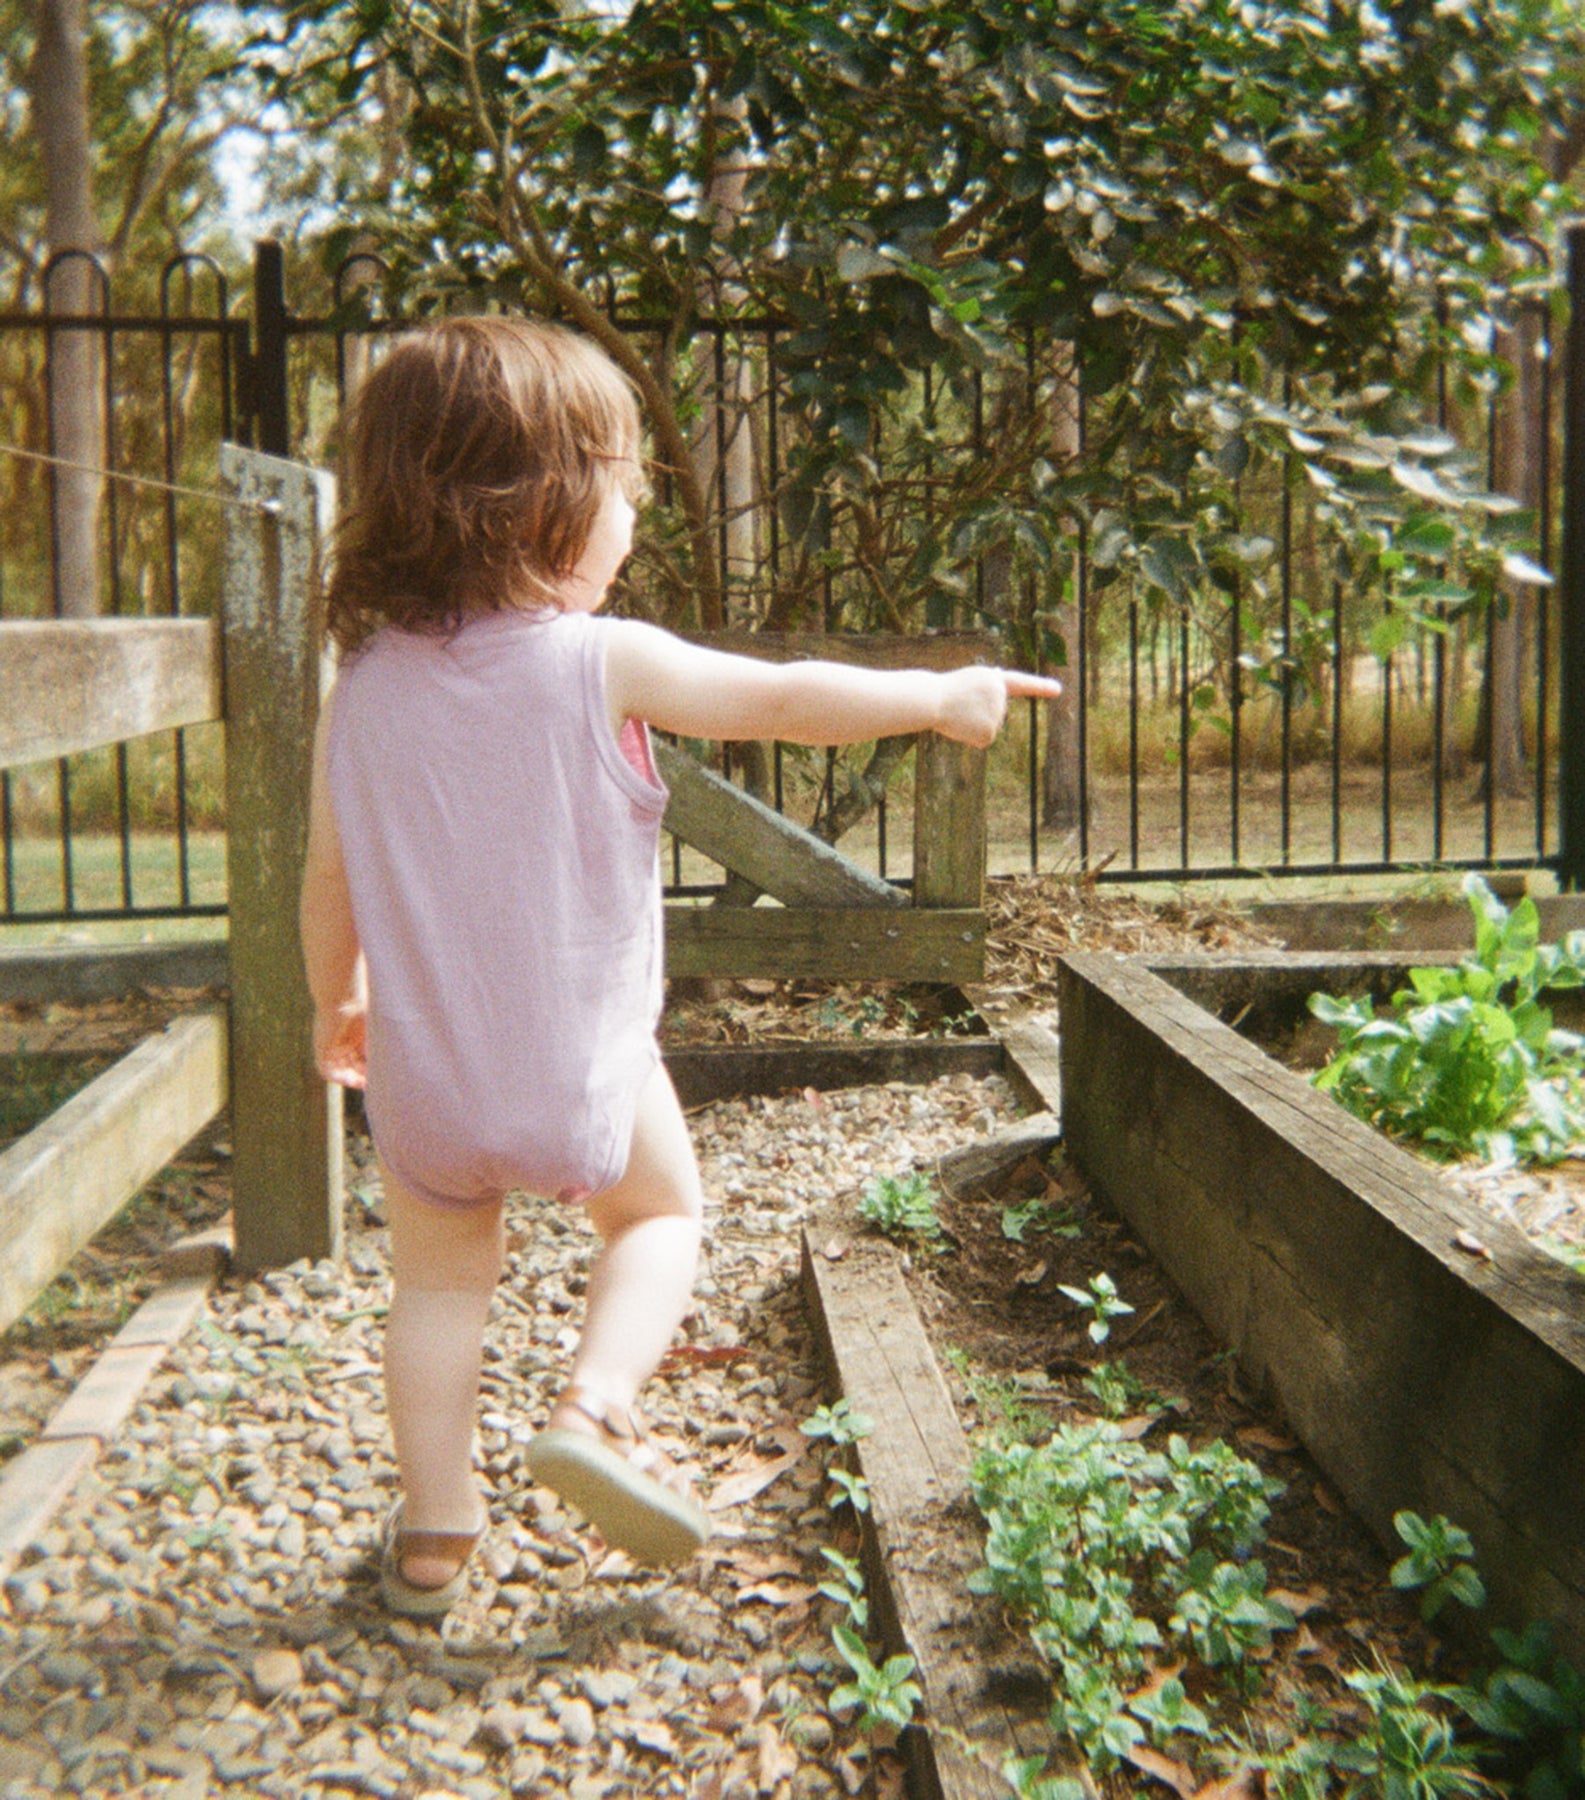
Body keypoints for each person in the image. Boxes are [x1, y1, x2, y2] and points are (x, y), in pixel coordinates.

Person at [298, 314, 1062, 1616]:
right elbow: (785, 697)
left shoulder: (359, 687)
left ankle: (433, 1534)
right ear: (537, 506)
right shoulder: (603, 662)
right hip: (583, 1074)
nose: (637, 512)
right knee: (659, 1218)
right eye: (621, 486)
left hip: (424, 1085)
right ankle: (594, 1410)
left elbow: (325, 877)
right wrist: (940, 697)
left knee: (433, 1290)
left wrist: (339, 999)